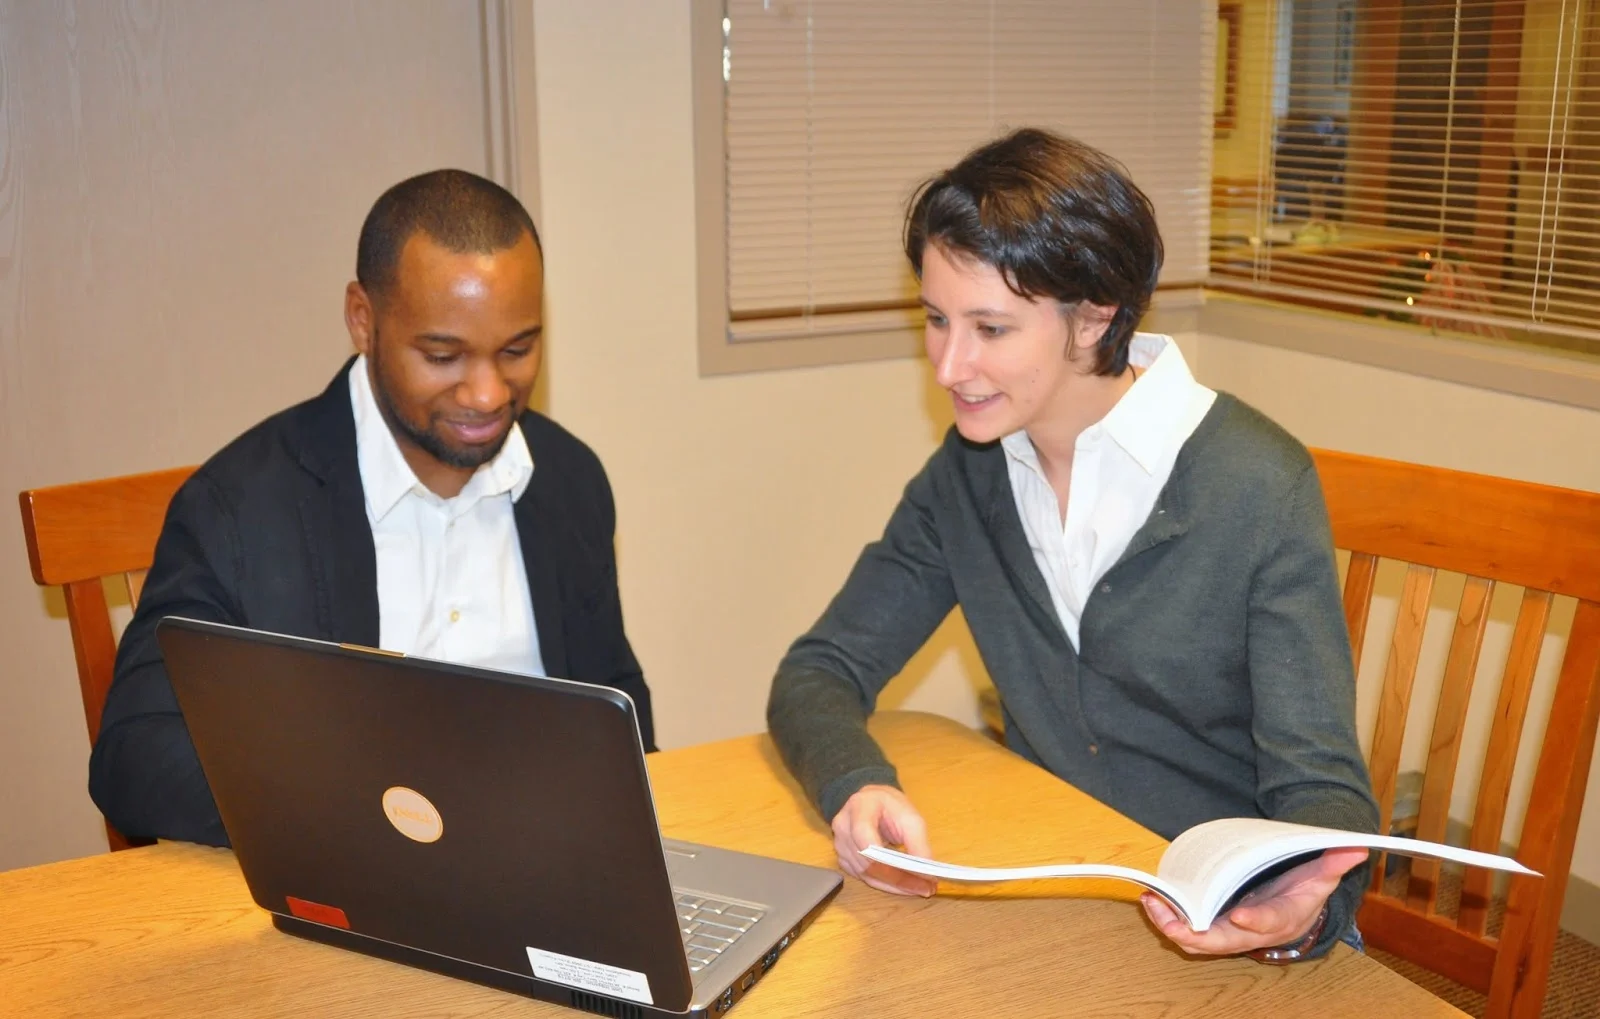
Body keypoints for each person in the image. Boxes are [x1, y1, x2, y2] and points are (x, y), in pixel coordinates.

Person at [766, 128, 1378, 962]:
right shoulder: (970, 474)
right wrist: (856, 784)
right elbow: (819, 670)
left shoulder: (1255, 483)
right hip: (1062, 903)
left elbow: (1324, 790)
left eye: (990, 328)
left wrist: (1307, 903)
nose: (948, 366)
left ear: (1094, 318)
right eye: (937, 320)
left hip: (1231, 935)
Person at [90, 169, 656, 847]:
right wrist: (364, 816)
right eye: (443, 355)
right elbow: (135, 754)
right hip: (345, 870)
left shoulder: (568, 481)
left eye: (517, 350)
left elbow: (618, 707)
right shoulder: (241, 507)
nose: (487, 394)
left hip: (547, 864)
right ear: (363, 319)